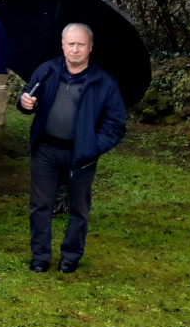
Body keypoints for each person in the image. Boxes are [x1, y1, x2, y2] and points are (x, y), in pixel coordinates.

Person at [19, 23, 126, 274]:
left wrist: (92, 147)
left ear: (90, 47)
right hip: (45, 150)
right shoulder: (47, 71)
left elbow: (116, 125)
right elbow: (27, 97)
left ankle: (71, 256)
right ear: (63, 45)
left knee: (79, 208)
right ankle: (40, 256)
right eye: (70, 44)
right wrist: (24, 102)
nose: (75, 49)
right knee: (40, 205)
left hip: (81, 156)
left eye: (80, 44)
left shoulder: (104, 82)